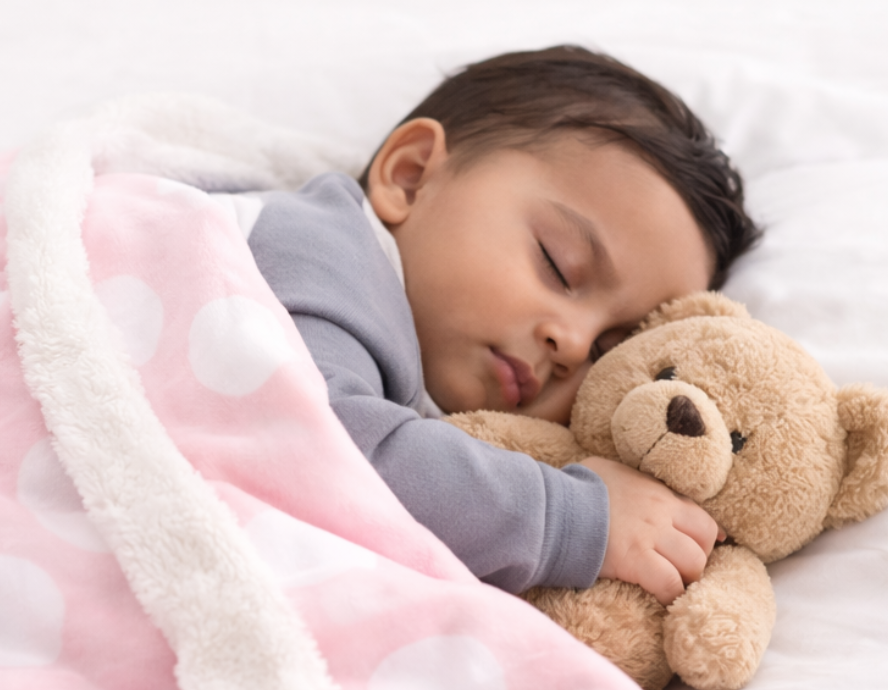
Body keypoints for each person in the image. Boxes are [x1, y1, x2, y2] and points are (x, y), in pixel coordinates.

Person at [246, 45, 761, 605]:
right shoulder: (313, 245)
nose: (573, 343)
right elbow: (323, 457)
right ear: (412, 175)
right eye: (558, 265)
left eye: (608, 349)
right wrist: (570, 517)